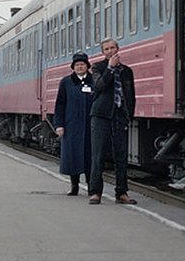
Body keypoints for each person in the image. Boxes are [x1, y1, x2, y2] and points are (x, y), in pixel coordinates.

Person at [88, 38, 136, 205]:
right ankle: (95, 192)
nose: (110, 51)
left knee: (121, 156)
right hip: (101, 115)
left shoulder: (127, 71)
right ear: (103, 52)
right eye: (106, 49)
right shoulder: (97, 68)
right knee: (98, 155)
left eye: (112, 48)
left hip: (120, 115)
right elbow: (99, 86)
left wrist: (129, 115)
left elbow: (131, 95)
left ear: (118, 49)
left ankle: (121, 193)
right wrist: (110, 68)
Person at [53, 53, 93, 195]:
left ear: (87, 66)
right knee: (72, 156)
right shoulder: (66, 82)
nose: (80, 67)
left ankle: (91, 186)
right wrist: (59, 124)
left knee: (90, 156)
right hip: (71, 125)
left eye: (82, 64)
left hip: (90, 125)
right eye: (77, 65)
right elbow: (60, 104)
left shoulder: (94, 80)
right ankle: (74, 185)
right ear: (73, 67)